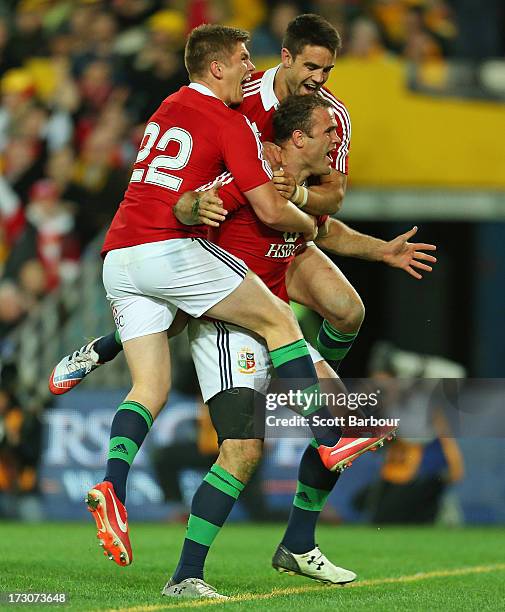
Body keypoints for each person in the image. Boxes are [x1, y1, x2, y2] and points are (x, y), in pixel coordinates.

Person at [50, 93, 436, 598]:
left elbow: (322, 229)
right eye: (328, 135)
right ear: (297, 138)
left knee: (343, 423)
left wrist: (379, 249)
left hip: (273, 321)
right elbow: (193, 217)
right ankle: (186, 576)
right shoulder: (252, 169)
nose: (336, 143)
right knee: (243, 451)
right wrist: (192, 204)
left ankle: (298, 543)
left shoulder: (294, 186)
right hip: (230, 324)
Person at [63, 23, 360, 572]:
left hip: (119, 255)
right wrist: (300, 221)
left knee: (150, 387)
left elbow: (181, 188)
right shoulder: (232, 122)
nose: (252, 67)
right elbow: (228, 208)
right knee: (277, 325)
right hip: (172, 254)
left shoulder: (170, 105)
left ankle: (112, 484)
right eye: (245, 58)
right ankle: (319, 438)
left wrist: (355, 239)